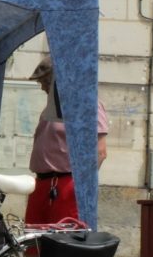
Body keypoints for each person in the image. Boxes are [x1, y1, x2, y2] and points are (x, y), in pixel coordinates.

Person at [25, 56, 109, 225]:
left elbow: (100, 151)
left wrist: (81, 185)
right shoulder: (50, 109)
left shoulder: (86, 103)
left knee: (63, 240)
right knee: (32, 239)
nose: (42, 87)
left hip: (66, 184)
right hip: (41, 183)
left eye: (44, 82)